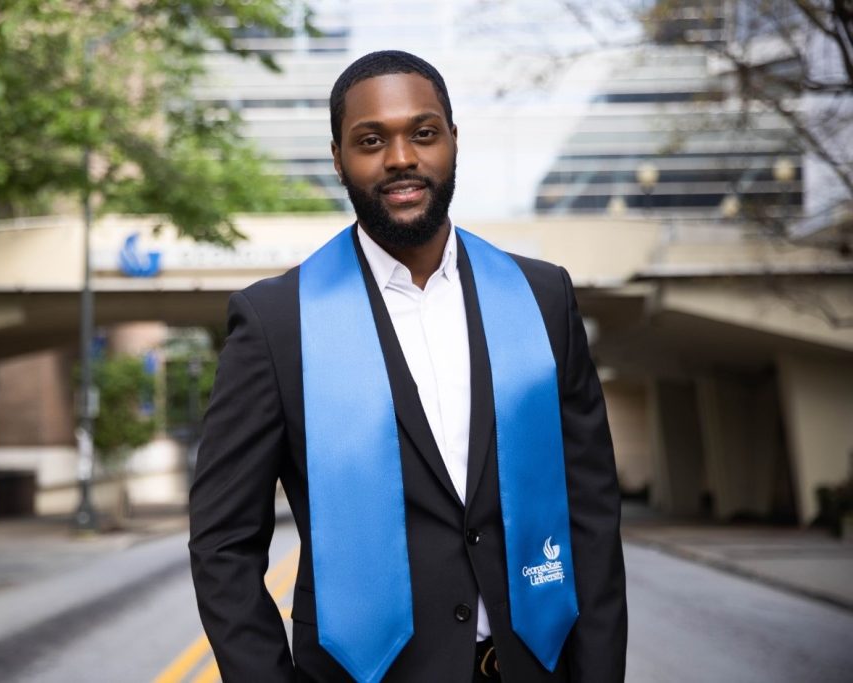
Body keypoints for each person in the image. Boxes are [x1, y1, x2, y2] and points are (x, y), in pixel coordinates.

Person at [189, 50, 627, 682]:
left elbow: (592, 514)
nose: (401, 158)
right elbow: (223, 546)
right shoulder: (277, 324)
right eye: (371, 140)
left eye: (423, 133)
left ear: (453, 140)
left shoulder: (540, 298)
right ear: (339, 159)